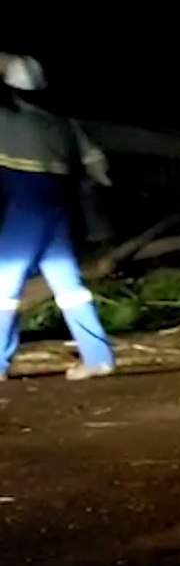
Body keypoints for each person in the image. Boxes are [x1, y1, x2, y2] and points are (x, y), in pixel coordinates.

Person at [0, 54, 115, 381]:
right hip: (58, 210)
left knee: (2, 289)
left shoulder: (7, 121)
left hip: (26, 211)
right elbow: (98, 167)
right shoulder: (65, 126)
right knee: (70, 288)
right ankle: (98, 358)